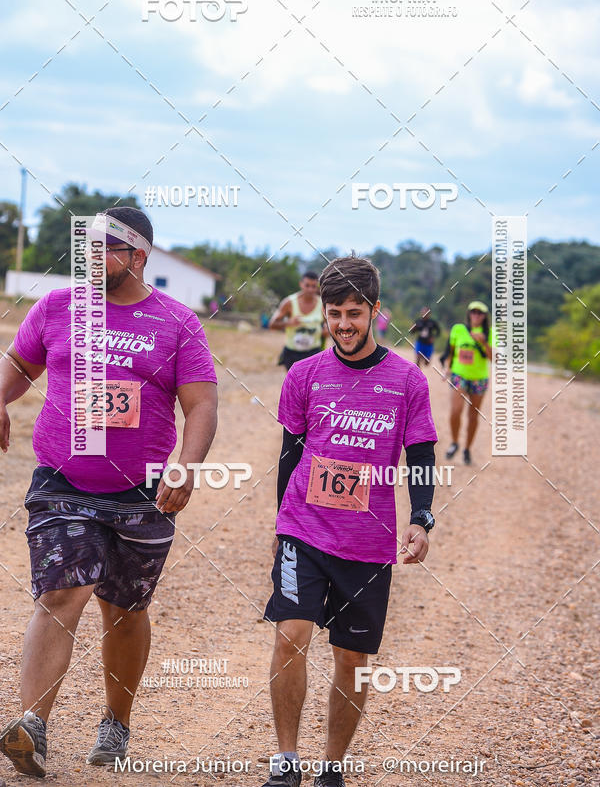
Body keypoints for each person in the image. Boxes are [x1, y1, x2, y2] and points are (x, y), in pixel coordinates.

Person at [0, 207, 218, 777]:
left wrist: (185, 466)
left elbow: (201, 403)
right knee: (62, 592)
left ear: (138, 256)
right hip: (62, 481)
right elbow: (21, 364)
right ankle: (33, 725)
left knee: (124, 610)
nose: (91, 257)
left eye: (105, 248)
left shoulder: (176, 323)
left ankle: (116, 721)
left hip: (141, 492)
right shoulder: (57, 307)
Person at [261, 255, 438, 787]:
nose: (342, 324)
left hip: (367, 543)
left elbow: (422, 454)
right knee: (290, 636)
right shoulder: (304, 374)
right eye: (334, 313)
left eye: (353, 313)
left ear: (375, 312)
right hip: (304, 530)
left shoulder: (407, 381)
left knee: (351, 657)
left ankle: (331, 769)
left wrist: (422, 515)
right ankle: (287, 760)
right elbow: (289, 456)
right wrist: (279, 523)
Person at [445, 300, 493, 465]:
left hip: (479, 378)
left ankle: (467, 449)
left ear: (484, 316)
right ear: (469, 313)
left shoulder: (491, 333)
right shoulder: (458, 329)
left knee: (473, 415)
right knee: (455, 410)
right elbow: (451, 351)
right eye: (473, 312)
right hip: (460, 375)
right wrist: (448, 368)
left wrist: (483, 342)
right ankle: (454, 442)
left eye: (480, 313)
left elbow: (494, 358)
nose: (476, 315)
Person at [269, 272, 327, 371]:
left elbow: (331, 324)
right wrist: (288, 323)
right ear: (301, 284)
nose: (310, 289)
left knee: (312, 385)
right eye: (307, 285)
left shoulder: (322, 304)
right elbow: (272, 325)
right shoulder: (289, 302)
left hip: (314, 352)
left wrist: (327, 330)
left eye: (314, 286)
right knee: (294, 385)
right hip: (292, 353)